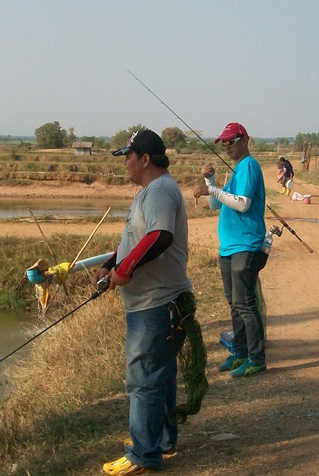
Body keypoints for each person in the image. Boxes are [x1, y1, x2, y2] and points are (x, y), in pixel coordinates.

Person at [93, 129, 195, 476]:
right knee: (160, 376)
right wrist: (110, 264)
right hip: (151, 303)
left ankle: (143, 453)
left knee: (144, 377)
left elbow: (159, 236)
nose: (125, 164)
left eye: (128, 157)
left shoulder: (160, 191)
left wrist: (125, 269)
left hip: (157, 303)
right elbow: (135, 238)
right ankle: (161, 441)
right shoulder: (151, 192)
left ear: (145, 159)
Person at [193, 122, 268, 378]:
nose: (226, 146)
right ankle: (240, 353)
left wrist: (211, 189)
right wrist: (210, 180)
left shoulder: (249, 166)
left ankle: (257, 359)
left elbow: (244, 204)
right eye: (223, 142)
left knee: (245, 304)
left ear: (245, 140)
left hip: (246, 244)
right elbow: (216, 205)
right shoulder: (236, 171)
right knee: (234, 304)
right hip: (229, 246)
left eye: (231, 141)